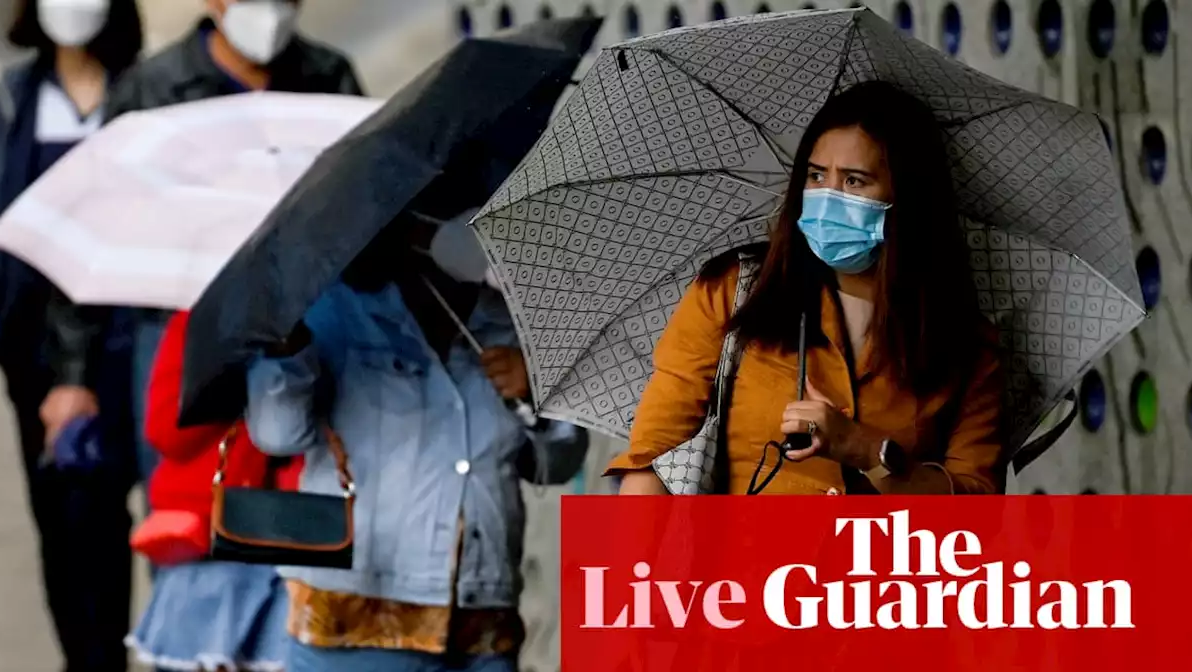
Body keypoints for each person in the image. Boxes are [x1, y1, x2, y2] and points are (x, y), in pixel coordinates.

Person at [37, 0, 365, 507]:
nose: (271, 12)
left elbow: (364, 206)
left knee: (304, 509)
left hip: (305, 329)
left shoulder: (328, 77)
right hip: (179, 333)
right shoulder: (154, 90)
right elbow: (99, 222)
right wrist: (73, 378)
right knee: (188, 513)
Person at [609, 81, 1006, 496]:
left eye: (854, 182)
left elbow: (974, 505)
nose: (828, 198)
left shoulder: (966, 347)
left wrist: (863, 449)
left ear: (908, 198)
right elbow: (653, 458)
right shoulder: (735, 291)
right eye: (817, 176)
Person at [244, 217, 590, 671]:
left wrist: (537, 391)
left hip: (480, 622)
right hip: (352, 616)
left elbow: (556, 465)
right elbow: (277, 435)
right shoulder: (336, 309)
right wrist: (286, 350)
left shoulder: (513, 322)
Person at [0, 1, 143, 669]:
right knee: (60, 512)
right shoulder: (17, 95)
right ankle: (83, 656)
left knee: (109, 505)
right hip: (33, 339)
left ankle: (110, 648)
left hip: (126, 331)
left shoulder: (139, 91)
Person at [127, 310, 300, 672]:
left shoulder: (337, 327)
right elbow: (165, 430)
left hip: (296, 544)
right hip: (210, 547)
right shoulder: (198, 323)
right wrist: (237, 370)